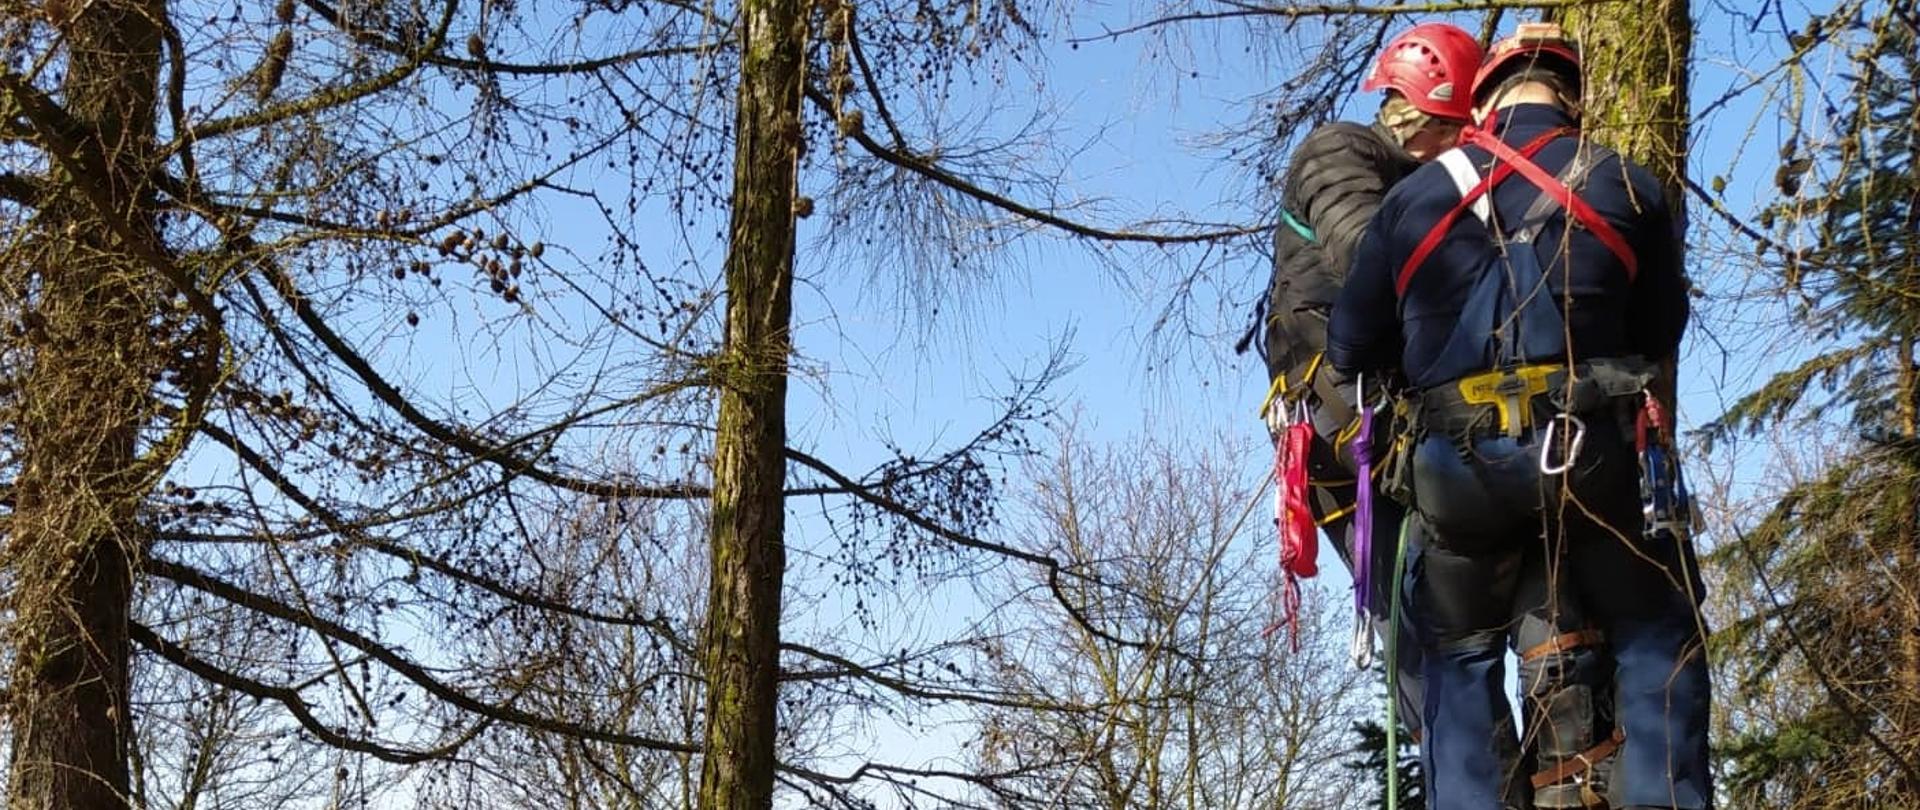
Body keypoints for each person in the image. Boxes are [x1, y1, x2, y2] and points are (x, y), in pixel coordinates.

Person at [1326, 22, 1711, 810]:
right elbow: (1659, 332)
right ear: (1571, 96)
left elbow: (1349, 345)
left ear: (1484, 100)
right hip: (1591, 457)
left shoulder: (1414, 197)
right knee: (1654, 627)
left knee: (1458, 654)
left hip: (1458, 470)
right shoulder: (1630, 184)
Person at [1248, 21, 1486, 757]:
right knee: (1415, 621)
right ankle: (1469, 774)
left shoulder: (1421, 176)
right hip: (1348, 428)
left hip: (1404, 421)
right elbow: (1365, 252)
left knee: (1460, 615)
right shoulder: (1340, 153)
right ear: (1442, 115)